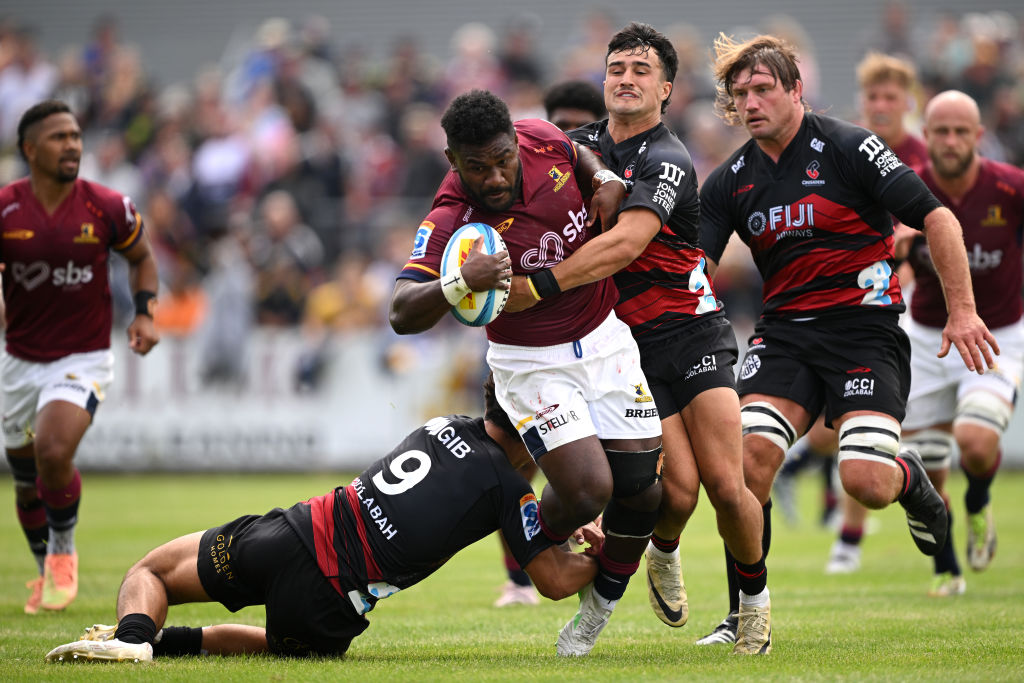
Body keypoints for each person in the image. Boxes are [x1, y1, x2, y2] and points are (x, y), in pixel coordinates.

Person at [697, 34, 997, 647]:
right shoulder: (730, 180)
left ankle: (910, 480)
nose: (751, 102)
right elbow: (692, 269)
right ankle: (743, 616)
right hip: (783, 337)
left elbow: (936, 217)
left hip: (865, 331)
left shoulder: (849, 146)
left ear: (795, 90)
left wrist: (962, 312)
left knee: (864, 481)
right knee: (745, 467)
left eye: (763, 89)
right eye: (740, 93)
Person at [504, 22, 768, 655]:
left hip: (692, 330)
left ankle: (755, 609)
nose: (626, 78)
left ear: (666, 88)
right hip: (624, 345)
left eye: (641, 70)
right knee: (671, 495)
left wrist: (535, 288)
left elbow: (625, 244)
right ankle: (663, 552)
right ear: (604, 81)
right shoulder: (577, 146)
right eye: (617, 68)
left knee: (727, 486)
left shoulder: (668, 158)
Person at [44, 379, 603, 663]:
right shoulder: (509, 488)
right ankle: (160, 647)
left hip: (292, 539)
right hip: (330, 613)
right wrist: (608, 552)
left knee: (154, 571)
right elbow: (553, 580)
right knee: (279, 646)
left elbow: (475, 483)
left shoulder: (442, 423)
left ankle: (136, 638)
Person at [388, 90, 663, 656]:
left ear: (517, 141)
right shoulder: (450, 218)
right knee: (589, 492)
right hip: (530, 361)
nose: (493, 177)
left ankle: (588, 601)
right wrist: (459, 280)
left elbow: (573, 151)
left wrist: (604, 176)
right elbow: (399, 311)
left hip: (605, 337)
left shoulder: (541, 135)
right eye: (476, 167)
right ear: (451, 161)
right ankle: (534, 543)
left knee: (642, 491)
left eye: (502, 159)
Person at [1, 100, 160, 615]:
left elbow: (141, 257)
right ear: (29, 149)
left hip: (83, 357)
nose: (72, 144)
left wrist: (144, 313)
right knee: (27, 484)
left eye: (75, 135)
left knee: (52, 450)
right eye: (58, 137)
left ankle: (64, 554)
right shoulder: (6, 209)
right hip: (19, 361)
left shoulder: (107, 205)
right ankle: (46, 567)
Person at [898, 90, 1024, 596]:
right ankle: (947, 572)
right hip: (927, 338)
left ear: (977, 135)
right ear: (925, 137)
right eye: (940, 132)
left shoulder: (1011, 188)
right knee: (928, 470)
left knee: (975, 445)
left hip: (997, 335)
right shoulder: (907, 189)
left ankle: (977, 502)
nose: (950, 141)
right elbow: (893, 250)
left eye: (960, 131)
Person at [493, 78, 607, 609]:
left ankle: (576, 541)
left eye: (581, 124)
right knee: (511, 456)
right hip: (525, 346)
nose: (569, 133)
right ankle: (519, 576)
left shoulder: (604, 174)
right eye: (560, 122)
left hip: (599, 334)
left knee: (599, 466)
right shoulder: (523, 168)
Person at [822, 52, 931, 574]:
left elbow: (922, 238)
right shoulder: (846, 153)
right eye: (873, 97)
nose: (882, 106)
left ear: (908, 103)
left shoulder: (925, 159)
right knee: (847, 431)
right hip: (847, 309)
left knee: (884, 435)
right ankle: (849, 534)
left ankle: (858, 535)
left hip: (908, 314)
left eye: (891, 97)